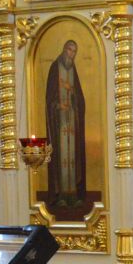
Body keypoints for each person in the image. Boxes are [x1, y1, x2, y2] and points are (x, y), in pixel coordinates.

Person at [45, 38, 88, 209]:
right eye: (70, 50)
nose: (71, 54)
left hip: (72, 121)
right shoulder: (54, 68)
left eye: (74, 51)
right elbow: (49, 99)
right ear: (64, 49)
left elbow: (79, 99)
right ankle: (61, 195)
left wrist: (73, 96)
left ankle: (73, 195)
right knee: (61, 156)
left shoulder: (73, 70)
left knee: (72, 157)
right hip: (59, 123)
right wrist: (58, 105)